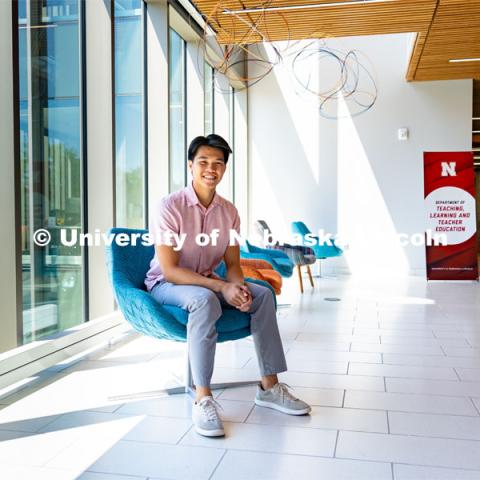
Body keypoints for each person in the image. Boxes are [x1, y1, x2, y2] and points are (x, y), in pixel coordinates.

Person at [145, 134, 311, 437]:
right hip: (168, 285)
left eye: (218, 163)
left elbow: (234, 265)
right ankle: (203, 397)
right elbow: (169, 270)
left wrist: (239, 289)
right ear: (190, 166)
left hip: (208, 282)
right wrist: (221, 288)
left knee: (261, 294)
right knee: (203, 299)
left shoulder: (229, 212)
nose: (211, 169)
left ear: (224, 169)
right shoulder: (169, 206)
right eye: (204, 162)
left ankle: (269, 387)